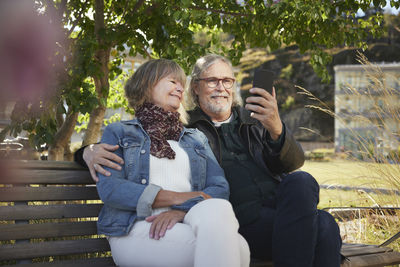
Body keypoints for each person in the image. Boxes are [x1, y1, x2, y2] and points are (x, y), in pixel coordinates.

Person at [75, 54, 342, 267]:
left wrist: (276, 127)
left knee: (306, 187)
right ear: (196, 88)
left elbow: (291, 162)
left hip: (271, 212)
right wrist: (86, 151)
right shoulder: (187, 127)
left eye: (227, 81)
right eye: (212, 80)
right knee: (322, 227)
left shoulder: (245, 124)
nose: (221, 88)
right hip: (234, 217)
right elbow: (115, 167)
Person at [91, 58, 250, 267]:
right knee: (237, 248)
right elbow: (112, 189)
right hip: (136, 227)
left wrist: (181, 210)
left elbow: (219, 187)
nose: (179, 88)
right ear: (147, 84)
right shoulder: (120, 132)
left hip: (185, 221)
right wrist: (181, 197)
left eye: (181, 84)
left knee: (221, 215)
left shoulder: (194, 138)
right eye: (172, 81)